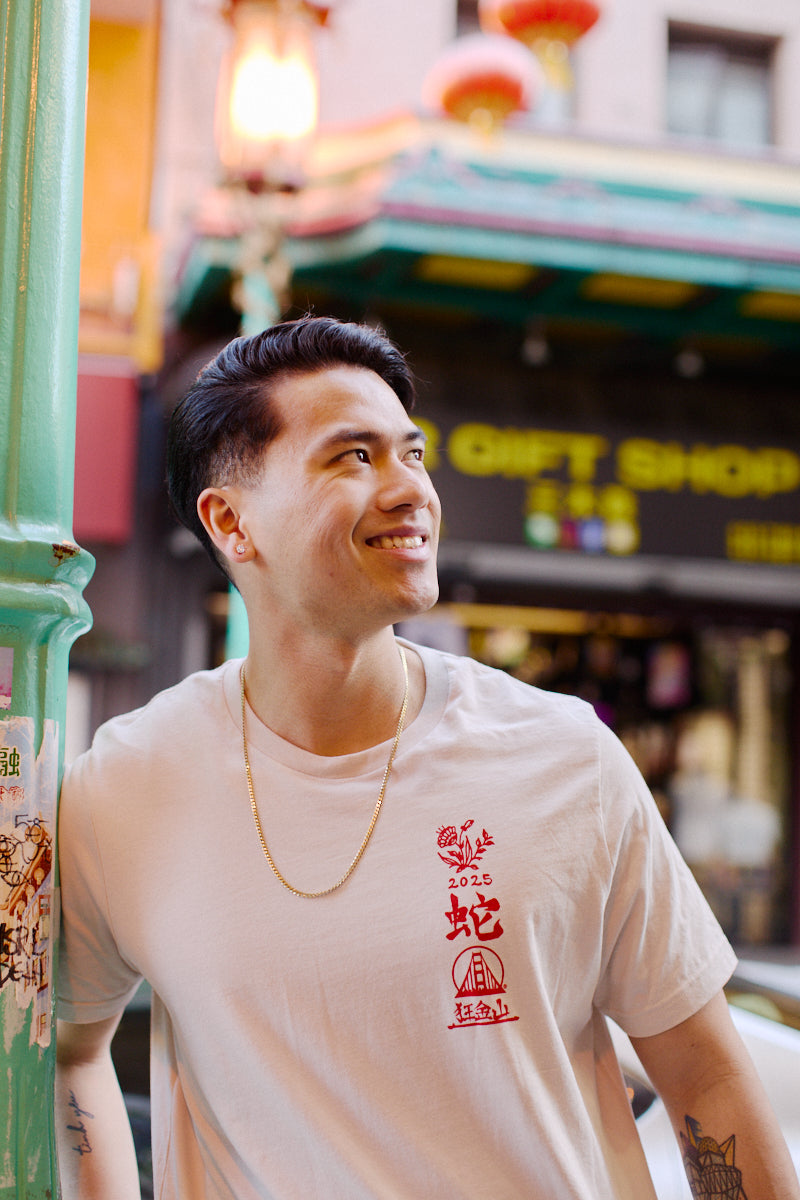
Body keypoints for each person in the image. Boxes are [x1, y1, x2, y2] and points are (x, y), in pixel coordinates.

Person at [56, 316, 799, 1200]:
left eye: (412, 454)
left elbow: (705, 1078)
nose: (410, 489)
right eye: (353, 458)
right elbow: (67, 1053)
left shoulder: (564, 756)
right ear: (232, 522)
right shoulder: (126, 786)